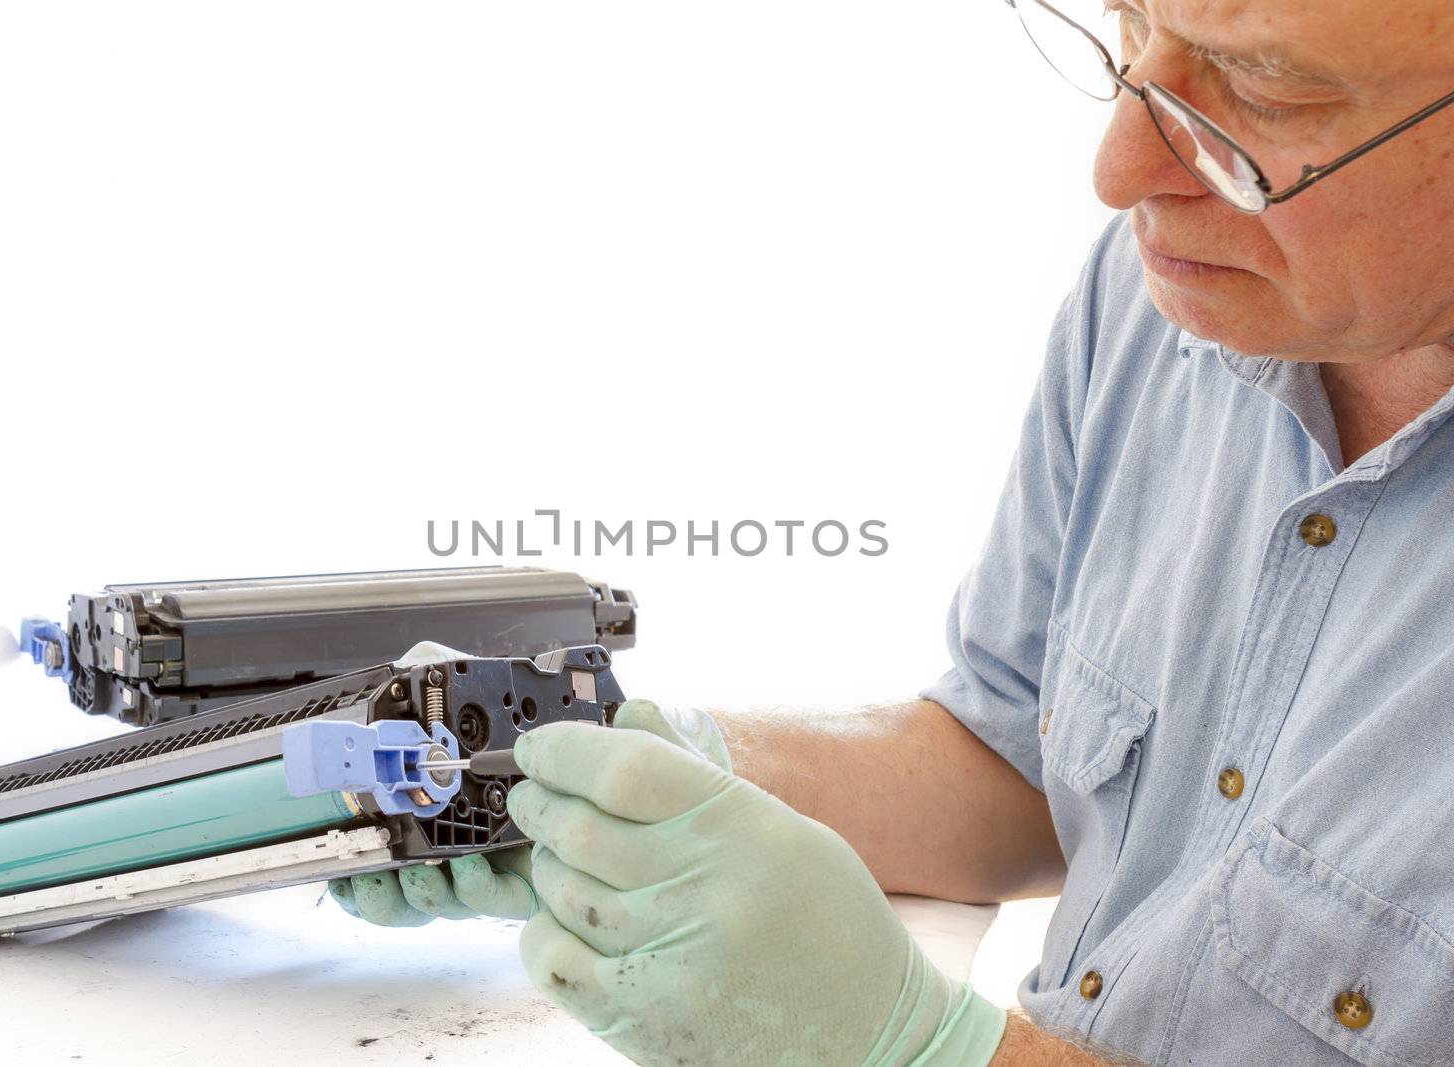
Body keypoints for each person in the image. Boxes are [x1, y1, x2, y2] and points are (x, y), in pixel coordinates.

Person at [332, 0, 1454, 1061]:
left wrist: (915, 1046)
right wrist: (652, 771)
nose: (1120, 173)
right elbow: (1015, 760)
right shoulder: (1187, 286)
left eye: (1261, 88)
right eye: (1132, 27)